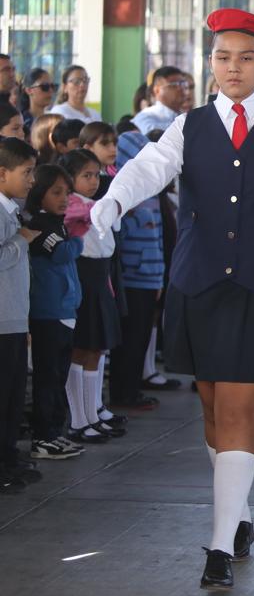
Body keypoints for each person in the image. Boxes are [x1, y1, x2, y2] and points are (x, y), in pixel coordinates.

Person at [91, 9, 254, 591]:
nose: (233, 67)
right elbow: (149, 170)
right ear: (210, 64)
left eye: (246, 57)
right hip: (199, 285)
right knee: (213, 412)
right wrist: (111, 204)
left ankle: (218, 547)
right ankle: (237, 515)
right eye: (223, 57)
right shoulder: (188, 126)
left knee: (239, 410)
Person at [60, 149, 125, 441]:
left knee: (96, 350)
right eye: (85, 175)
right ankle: (78, 420)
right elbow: (79, 216)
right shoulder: (72, 206)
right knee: (81, 349)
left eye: (95, 175)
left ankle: (91, 414)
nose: (93, 181)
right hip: (83, 280)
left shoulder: (95, 204)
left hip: (100, 281)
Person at [24, 163, 87, 456]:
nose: (64, 198)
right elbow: (61, 253)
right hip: (47, 313)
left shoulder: (58, 223)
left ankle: (55, 431)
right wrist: (77, 238)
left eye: (67, 193)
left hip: (65, 310)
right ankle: (42, 437)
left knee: (59, 376)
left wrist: (72, 234)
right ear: (39, 194)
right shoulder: (40, 224)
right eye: (56, 192)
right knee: (47, 377)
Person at [2, 140, 52, 494]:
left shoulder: (12, 209)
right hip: (2, 321)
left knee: (13, 396)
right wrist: (21, 238)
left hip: (16, 318)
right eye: (26, 172)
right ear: (2, 174)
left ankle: (8, 457)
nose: (32, 180)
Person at [105, 131, 168, 409]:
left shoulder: (152, 192)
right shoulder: (125, 191)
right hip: (132, 277)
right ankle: (123, 393)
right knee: (129, 338)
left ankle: (132, 388)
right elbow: (119, 231)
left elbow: (159, 237)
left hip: (151, 276)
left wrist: (159, 275)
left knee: (141, 336)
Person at [131, 66, 189, 137]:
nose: (181, 88)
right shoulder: (145, 117)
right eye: (174, 85)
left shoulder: (187, 116)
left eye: (182, 83)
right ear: (157, 90)